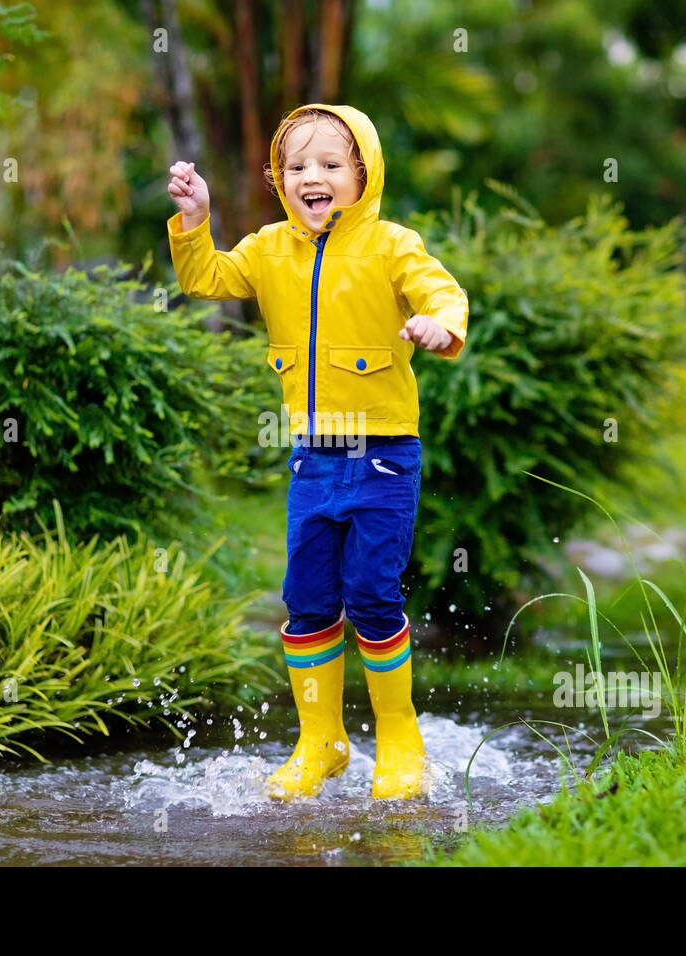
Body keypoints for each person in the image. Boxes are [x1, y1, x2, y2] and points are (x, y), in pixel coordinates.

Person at [165, 104, 468, 800]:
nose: (312, 176)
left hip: (384, 454)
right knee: (306, 599)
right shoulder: (269, 248)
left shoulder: (392, 245)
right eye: (296, 165)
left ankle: (400, 740)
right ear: (279, 179)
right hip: (313, 458)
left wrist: (437, 324)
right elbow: (206, 279)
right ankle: (320, 742)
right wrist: (195, 219)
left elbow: (444, 294)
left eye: (331, 164)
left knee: (372, 594)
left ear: (364, 174)